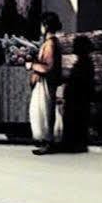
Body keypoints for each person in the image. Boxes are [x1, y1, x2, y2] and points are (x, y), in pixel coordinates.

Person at [29, 11, 65, 154]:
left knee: (45, 110)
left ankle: (48, 142)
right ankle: (47, 141)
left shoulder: (50, 44)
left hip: (46, 82)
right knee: (46, 110)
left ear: (45, 26)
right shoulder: (53, 42)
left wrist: (31, 65)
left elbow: (47, 67)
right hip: (49, 82)